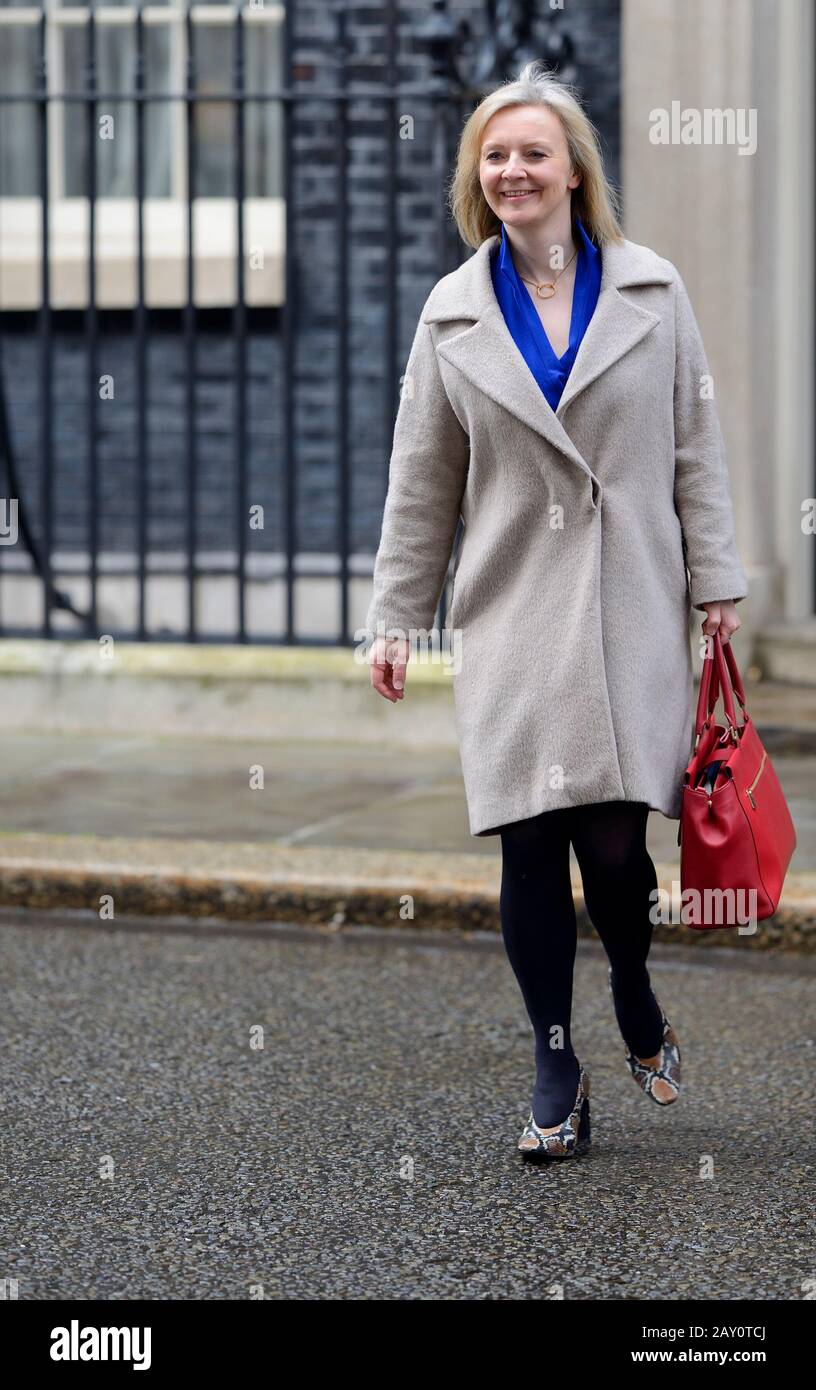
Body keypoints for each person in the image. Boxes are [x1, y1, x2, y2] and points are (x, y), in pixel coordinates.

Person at [364, 62, 747, 1161]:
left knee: (617, 849)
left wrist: (716, 586)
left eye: (533, 151)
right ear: (476, 179)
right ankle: (554, 1059)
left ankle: (630, 980)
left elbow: (694, 451)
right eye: (495, 155)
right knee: (529, 843)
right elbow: (421, 477)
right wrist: (395, 614)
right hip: (512, 611)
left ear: (574, 168)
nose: (514, 169)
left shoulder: (652, 290)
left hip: (629, 604)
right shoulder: (451, 313)